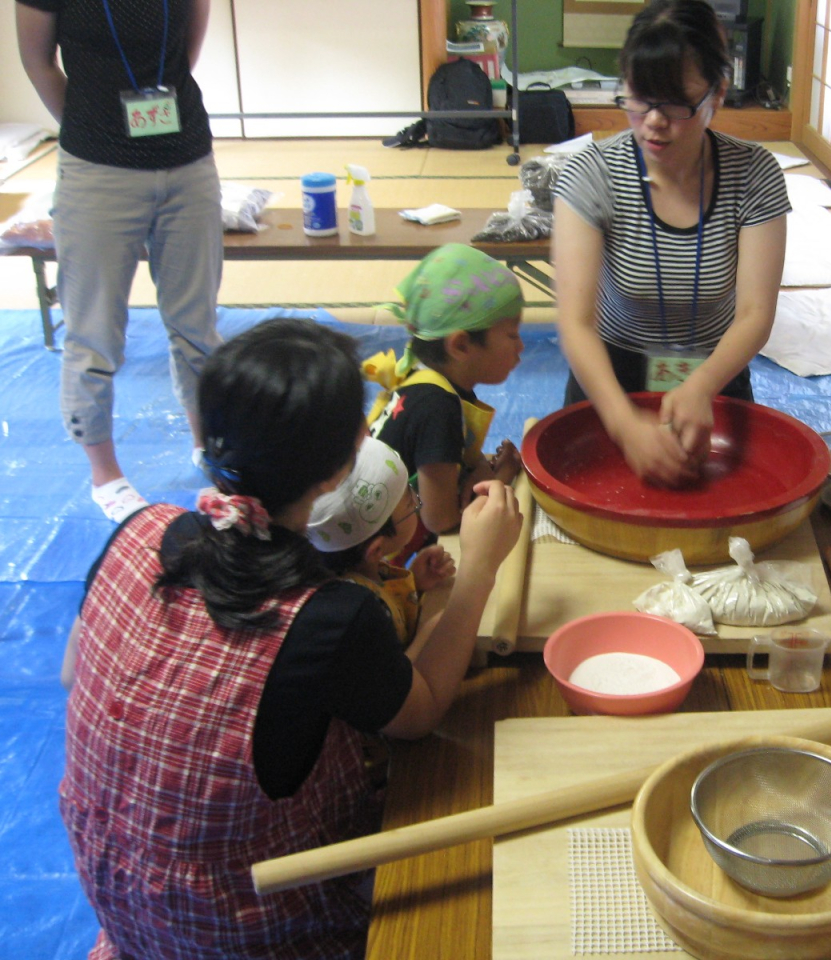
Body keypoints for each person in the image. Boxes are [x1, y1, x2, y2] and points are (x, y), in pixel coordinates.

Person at [59, 318, 523, 958]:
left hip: (120, 905)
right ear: (342, 465)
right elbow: (419, 716)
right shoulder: (328, 616)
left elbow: (70, 673)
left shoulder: (139, 530)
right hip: (252, 930)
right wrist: (479, 570)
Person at [552, 0, 790, 487]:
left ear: (717, 95)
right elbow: (575, 324)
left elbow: (755, 314)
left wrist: (702, 385)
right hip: (612, 373)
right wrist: (623, 424)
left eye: (676, 103)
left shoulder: (755, 174)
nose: (653, 121)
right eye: (639, 98)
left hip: (716, 370)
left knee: (729, 502)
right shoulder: (591, 173)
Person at [16, 0, 224, 522]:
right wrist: (94, 123)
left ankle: (208, 444)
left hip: (187, 157)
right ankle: (105, 475)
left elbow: (187, 47)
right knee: (94, 333)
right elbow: (38, 62)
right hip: (96, 166)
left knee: (196, 322)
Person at [365, 244, 524, 551]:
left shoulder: (426, 379)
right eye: (513, 335)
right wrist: (502, 478)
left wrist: (481, 470)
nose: (521, 347)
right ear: (461, 345)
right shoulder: (437, 408)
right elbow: (441, 520)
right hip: (379, 559)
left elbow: (459, 455)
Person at [307, 436, 456, 646]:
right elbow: (404, 675)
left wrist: (415, 584)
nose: (416, 501)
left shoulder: (358, 568)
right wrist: (432, 630)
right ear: (376, 549)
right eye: (410, 504)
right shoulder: (362, 615)